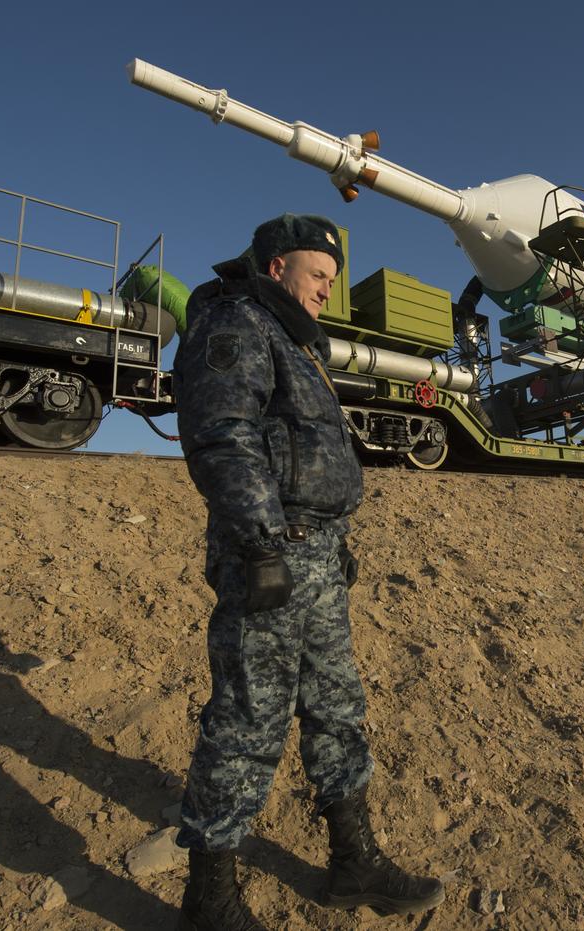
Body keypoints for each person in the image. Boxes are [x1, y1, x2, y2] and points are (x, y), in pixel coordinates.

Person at [172, 214, 444, 930]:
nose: (328, 287)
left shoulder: (292, 337)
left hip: (316, 555)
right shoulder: (238, 323)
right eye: (317, 272)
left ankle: (352, 861)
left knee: (336, 706)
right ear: (274, 266)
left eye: (332, 274)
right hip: (271, 554)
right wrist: (262, 546)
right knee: (248, 717)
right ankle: (208, 902)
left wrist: (335, 541)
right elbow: (222, 436)